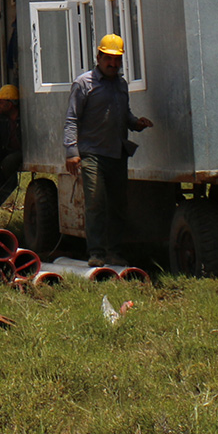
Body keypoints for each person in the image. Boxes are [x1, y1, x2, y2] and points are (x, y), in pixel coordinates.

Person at [63, 34, 152, 267]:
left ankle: (114, 251)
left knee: (118, 206)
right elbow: (72, 119)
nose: (113, 64)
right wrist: (71, 152)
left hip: (117, 153)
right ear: (99, 57)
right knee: (95, 202)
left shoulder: (121, 85)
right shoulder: (83, 83)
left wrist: (136, 123)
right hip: (92, 153)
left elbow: (125, 114)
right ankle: (96, 253)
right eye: (108, 59)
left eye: (117, 60)